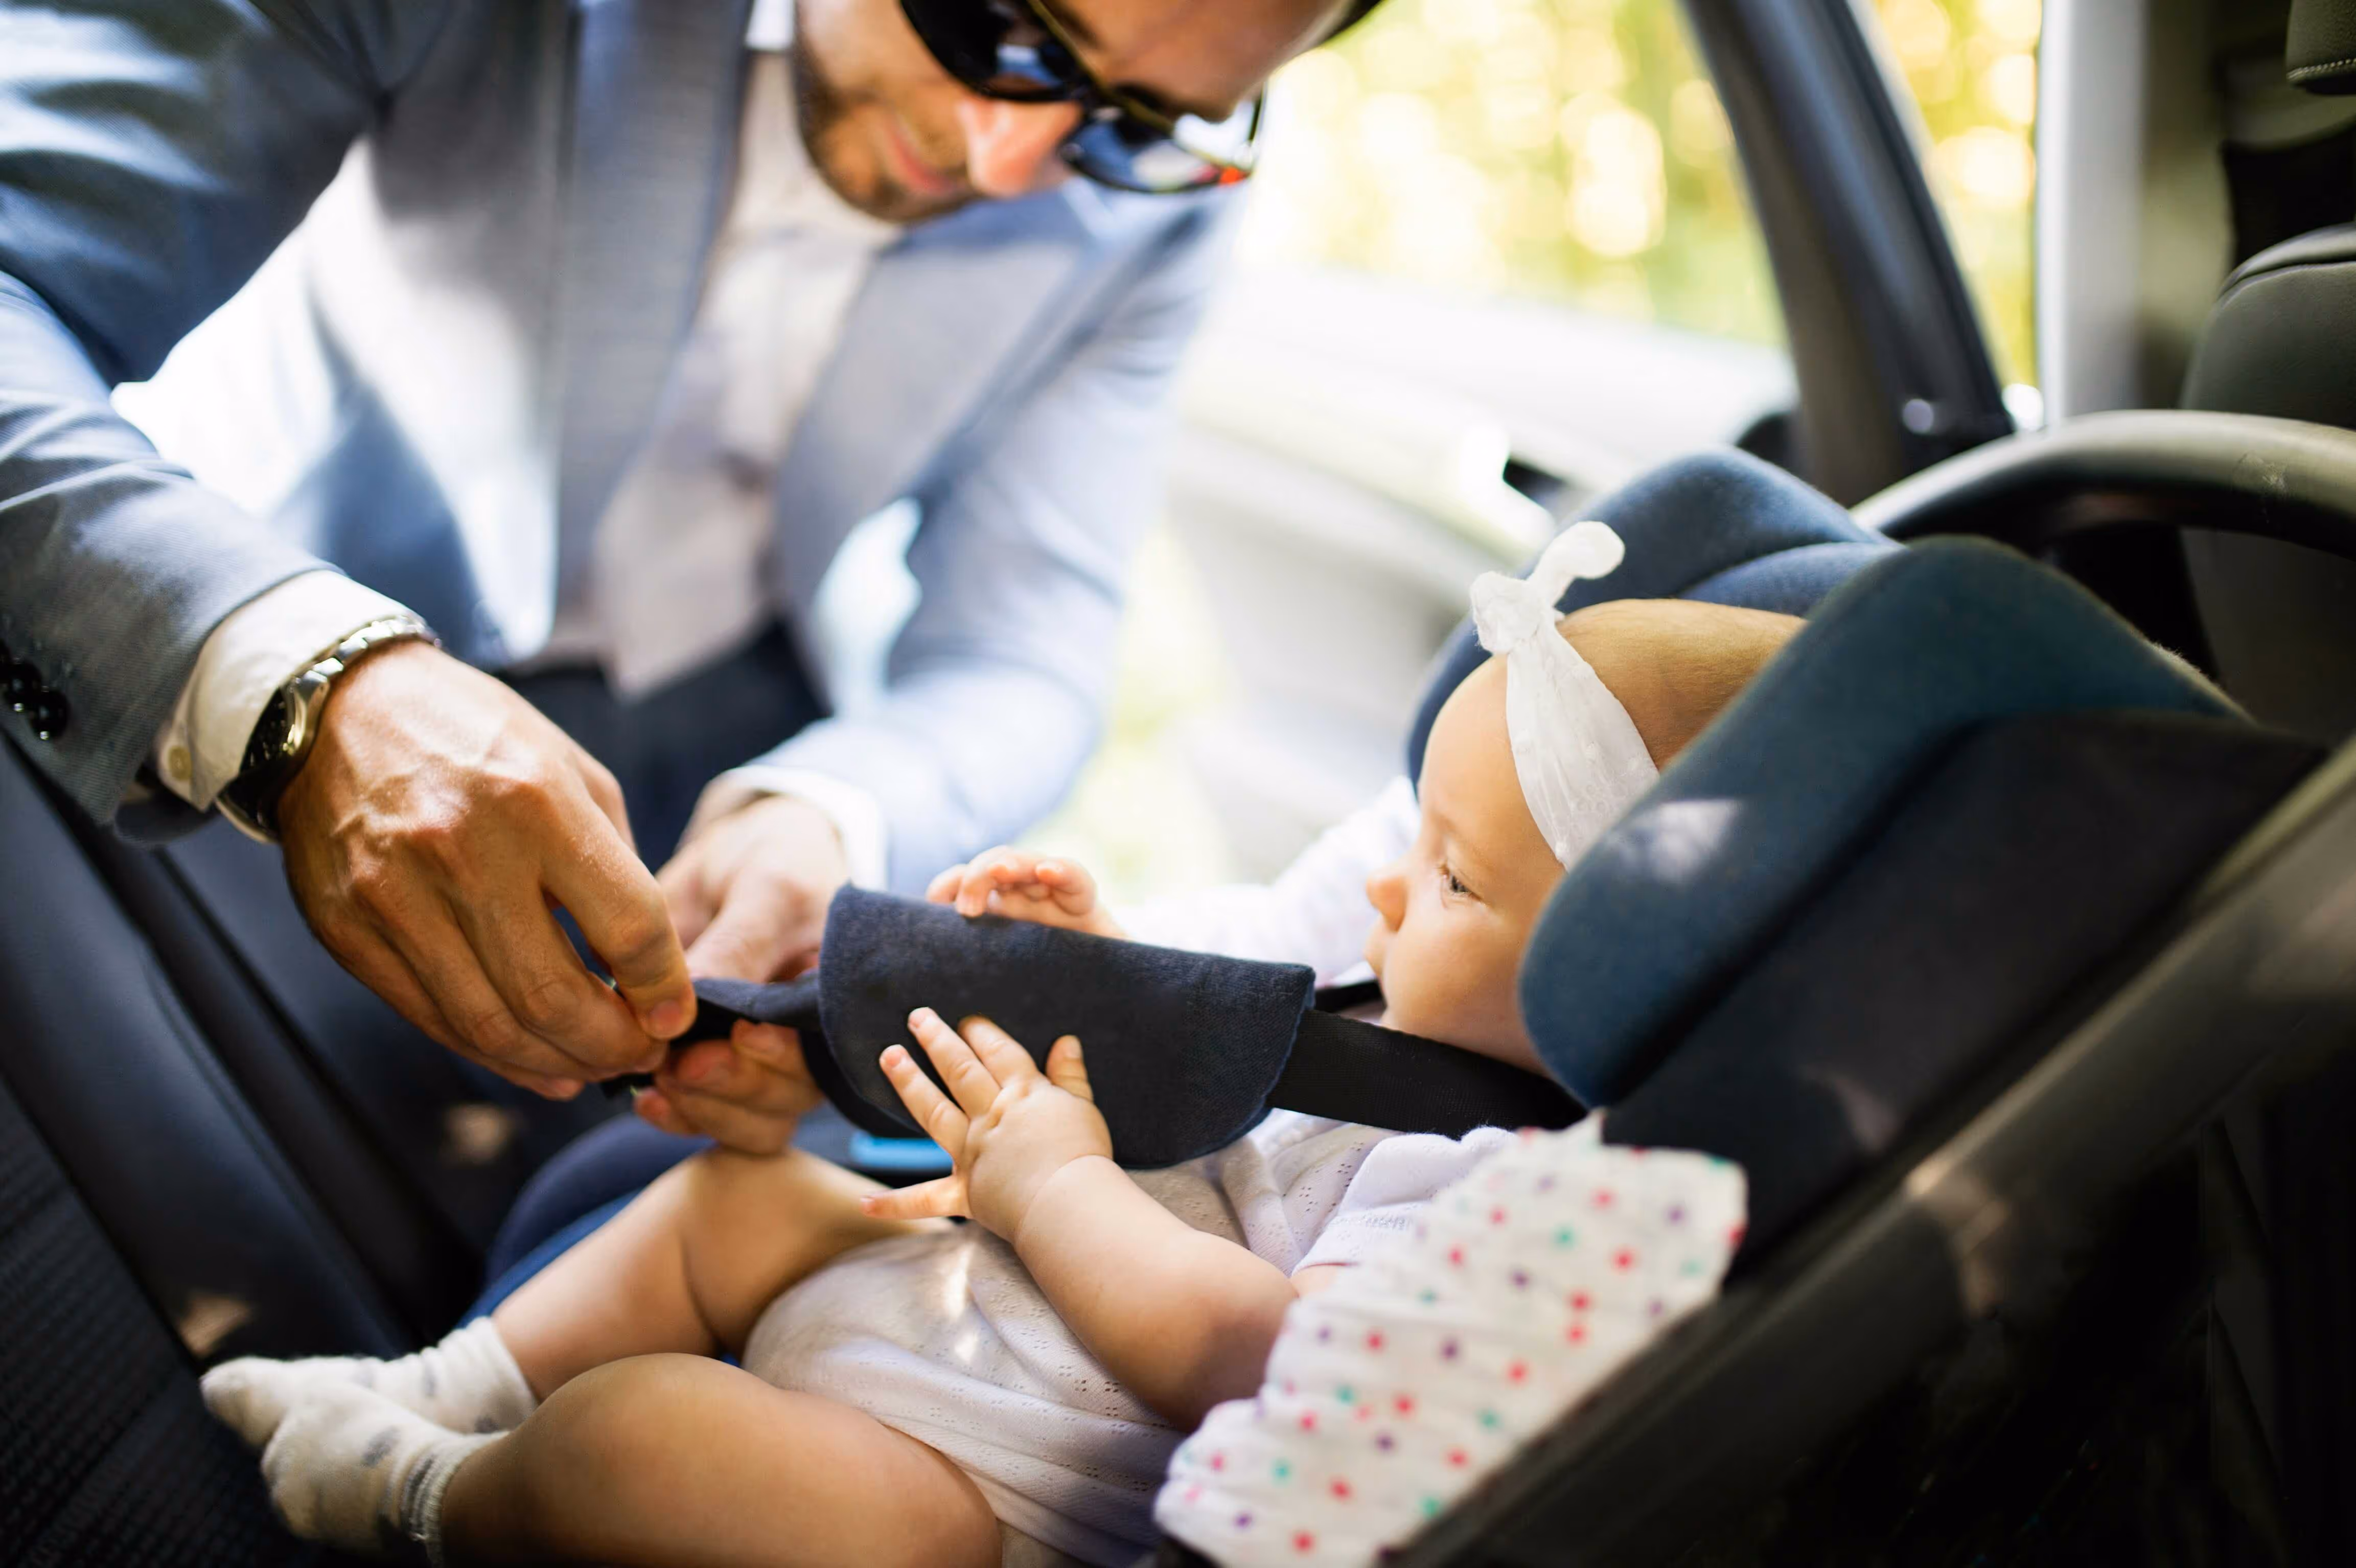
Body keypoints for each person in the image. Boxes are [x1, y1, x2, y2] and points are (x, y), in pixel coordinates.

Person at [200, 531, 1805, 1566]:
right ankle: (436, 1382)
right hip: (944, 1294)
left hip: (971, 1500)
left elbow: (1254, 1353)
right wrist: (1096, 962)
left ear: (1626, 969)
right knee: (730, 1204)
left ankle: (409, 1489)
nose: (1390, 879)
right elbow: (1226, 1069)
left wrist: (1047, 1193)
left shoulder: (1503, 1204)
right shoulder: (1389, 990)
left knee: (645, 1447)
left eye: (1452, 876)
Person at [0, 0, 1370, 1156]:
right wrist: (305, 687)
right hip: (241, 620)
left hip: (739, 729)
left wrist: (833, 808)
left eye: (1131, 122)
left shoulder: (1158, 223)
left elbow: (1025, 649)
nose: (1009, 159)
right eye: (999, 19)